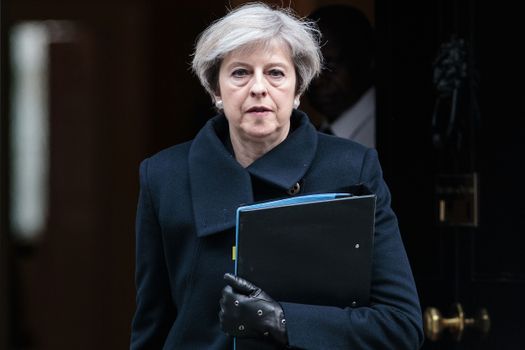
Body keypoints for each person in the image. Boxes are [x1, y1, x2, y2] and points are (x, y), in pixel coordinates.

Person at [130, 2, 423, 349]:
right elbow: (152, 328)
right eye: (240, 72)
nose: (258, 88)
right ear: (215, 90)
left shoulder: (352, 168)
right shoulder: (164, 176)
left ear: (298, 90)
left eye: (276, 73)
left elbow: (401, 326)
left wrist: (281, 321)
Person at [307, 4, 376, 148]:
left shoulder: (386, 136)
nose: (317, 81)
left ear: (366, 59)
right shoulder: (311, 136)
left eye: (330, 65)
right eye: (308, 67)